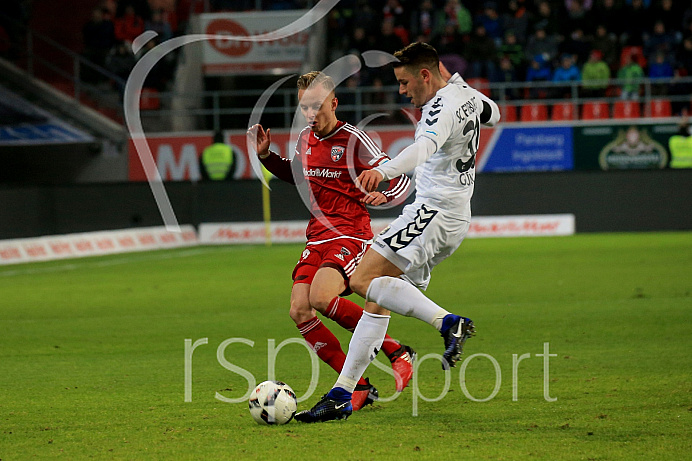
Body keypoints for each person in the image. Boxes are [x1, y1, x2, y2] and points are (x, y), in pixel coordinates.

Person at [295, 42, 500, 423]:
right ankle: (343, 395)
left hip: (433, 211)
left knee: (361, 279)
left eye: (406, 82)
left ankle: (449, 322)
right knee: (376, 304)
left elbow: (423, 147)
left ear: (426, 75)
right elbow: (494, 113)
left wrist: (385, 172)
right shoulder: (465, 95)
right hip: (449, 214)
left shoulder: (441, 104)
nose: (403, 91)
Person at [246, 71, 415, 411]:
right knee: (299, 309)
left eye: (316, 106)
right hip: (317, 235)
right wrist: (267, 157)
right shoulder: (304, 138)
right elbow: (297, 175)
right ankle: (361, 387)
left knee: (322, 298)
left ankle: (396, 349)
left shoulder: (353, 139)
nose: (310, 114)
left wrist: (384, 194)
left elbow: (400, 178)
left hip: (350, 232)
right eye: (304, 107)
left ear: (333, 103)